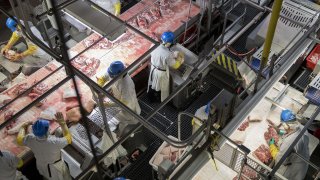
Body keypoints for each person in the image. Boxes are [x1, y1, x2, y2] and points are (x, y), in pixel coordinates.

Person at [17, 113, 72, 180]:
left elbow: (19, 140)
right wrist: (62, 123)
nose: (50, 128)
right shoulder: (54, 142)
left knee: (46, 177)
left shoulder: (30, 138)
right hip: (55, 168)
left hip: (41, 165)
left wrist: (23, 127)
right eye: (49, 128)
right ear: (46, 132)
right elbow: (69, 139)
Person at [96, 61, 141, 135]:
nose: (111, 78)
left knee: (128, 119)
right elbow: (104, 77)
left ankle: (121, 134)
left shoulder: (127, 85)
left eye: (113, 77)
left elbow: (123, 103)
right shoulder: (113, 72)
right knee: (120, 119)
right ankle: (119, 131)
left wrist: (106, 104)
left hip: (128, 107)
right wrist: (98, 86)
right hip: (118, 102)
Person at [147, 31, 184, 102]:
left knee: (152, 84)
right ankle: (160, 101)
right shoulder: (167, 54)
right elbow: (175, 65)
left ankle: (150, 98)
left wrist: (173, 54)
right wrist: (180, 60)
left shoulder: (153, 45)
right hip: (161, 73)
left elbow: (160, 53)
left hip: (153, 69)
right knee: (162, 88)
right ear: (170, 42)